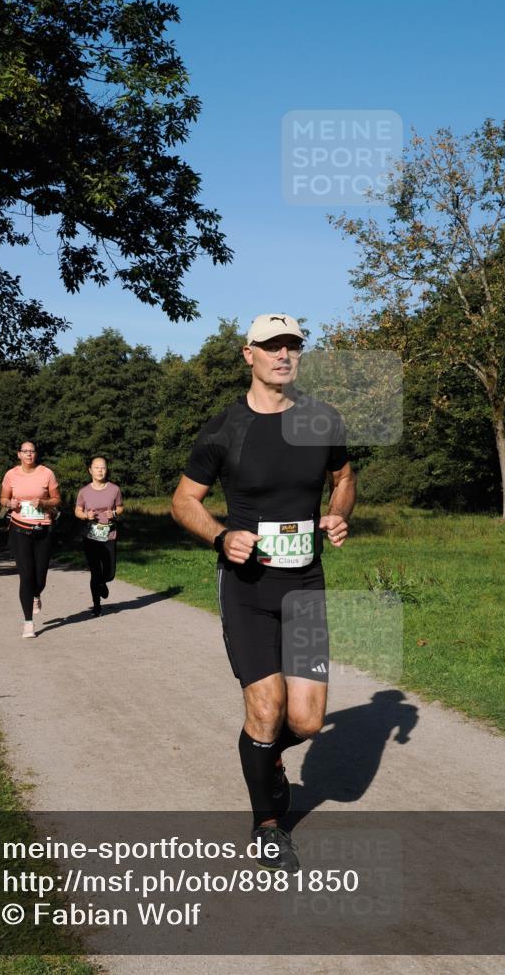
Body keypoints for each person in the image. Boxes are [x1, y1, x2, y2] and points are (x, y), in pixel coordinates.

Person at [172, 313, 356, 872]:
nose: (283, 354)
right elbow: (183, 500)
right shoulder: (224, 429)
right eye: (271, 346)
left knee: (304, 722)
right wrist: (222, 536)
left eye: (292, 346)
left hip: (304, 583)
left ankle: (267, 756)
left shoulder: (322, 420)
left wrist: (336, 514)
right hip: (248, 586)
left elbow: (344, 479)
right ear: (247, 354)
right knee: (266, 705)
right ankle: (268, 824)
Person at [0, 442, 60, 638]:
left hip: (43, 529)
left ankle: (37, 594)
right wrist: (10, 503)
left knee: (40, 577)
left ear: (36, 454)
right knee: (26, 576)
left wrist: (43, 503)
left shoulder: (47, 473)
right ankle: (28, 623)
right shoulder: (11, 474)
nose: (29, 454)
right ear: (19, 454)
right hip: (19, 529)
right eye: (25, 451)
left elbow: (57, 499)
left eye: (32, 451)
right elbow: (3, 499)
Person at [74, 457, 124, 616]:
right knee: (95, 572)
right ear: (90, 470)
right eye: (97, 467)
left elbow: (121, 507)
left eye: (103, 467)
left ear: (107, 469)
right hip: (90, 536)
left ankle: (103, 583)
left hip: (109, 535)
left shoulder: (114, 489)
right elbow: (77, 510)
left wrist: (114, 513)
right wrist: (85, 516)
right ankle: (97, 605)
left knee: (109, 573)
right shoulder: (84, 491)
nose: (100, 470)